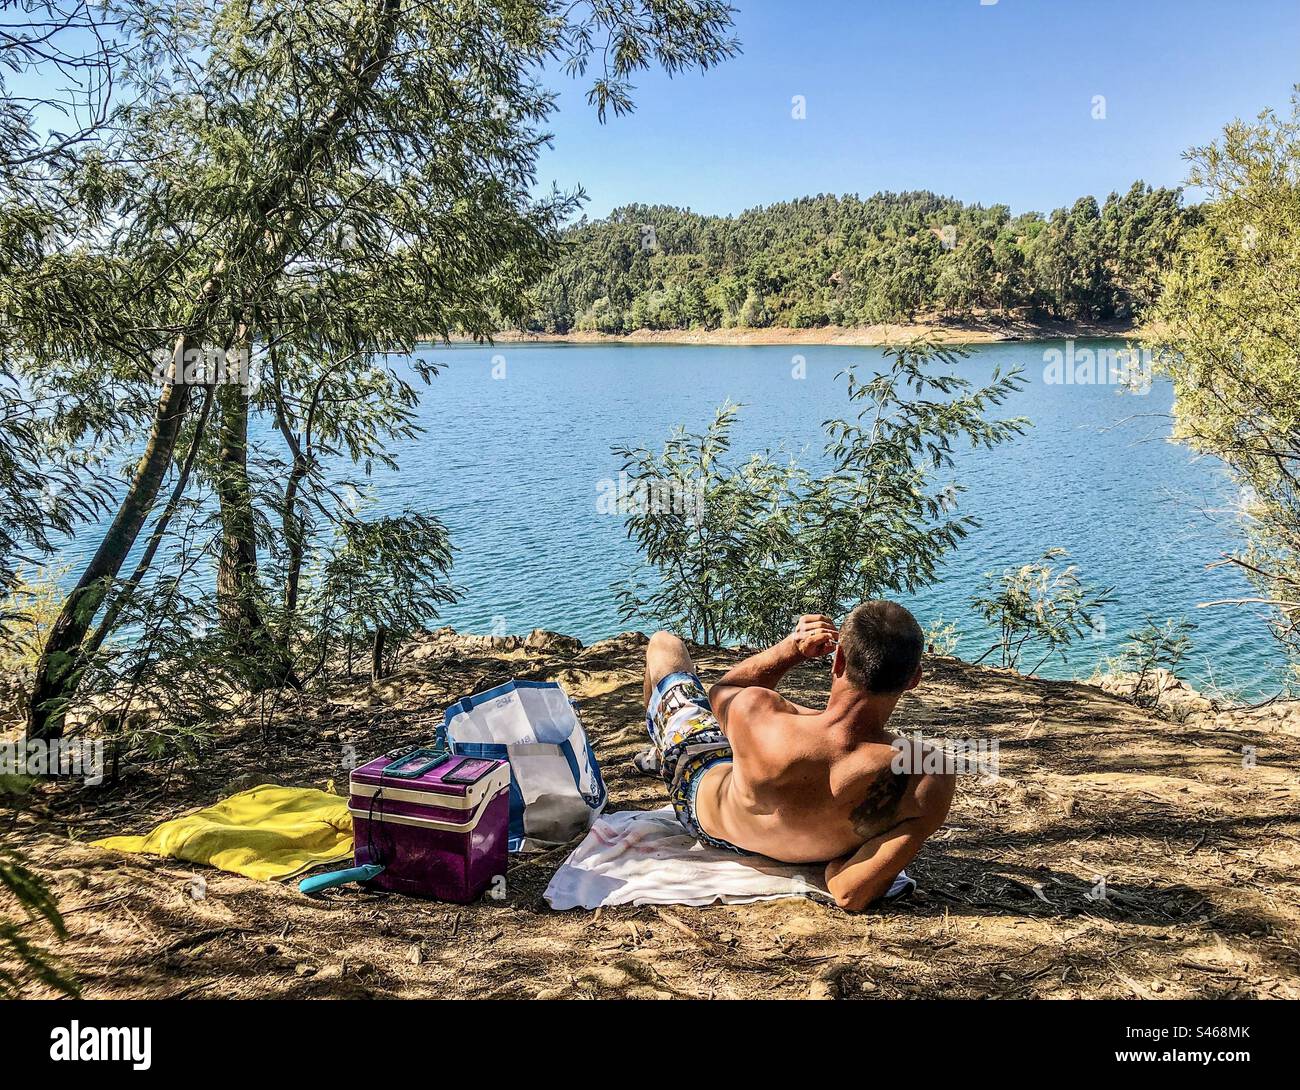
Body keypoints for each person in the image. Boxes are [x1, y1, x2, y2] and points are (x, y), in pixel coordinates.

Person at [642, 602, 954, 910]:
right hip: (805, 846)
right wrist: (837, 861)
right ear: (914, 679)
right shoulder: (929, 774)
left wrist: (793, 647)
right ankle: (681, 755)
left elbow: (723, 691)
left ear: (839, 660)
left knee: (664, 645)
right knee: (742, 745)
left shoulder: (758, 711)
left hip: (701, 799)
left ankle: (661, 753)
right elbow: (850, 892)